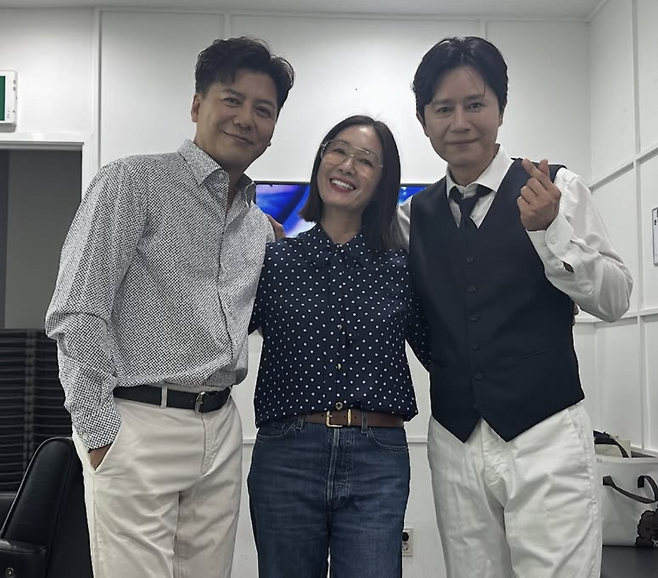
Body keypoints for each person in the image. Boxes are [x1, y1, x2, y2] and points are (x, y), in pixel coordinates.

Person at [45, 37, 294, 578]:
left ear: (274, 126)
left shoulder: (257, 226)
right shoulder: (133, 182)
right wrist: (100, 433)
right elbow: (78, 310)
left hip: (221, 427)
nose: (246, 119)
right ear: (197, 104)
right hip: (137, 422)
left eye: (263, 109)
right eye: (232, 100)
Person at [398, 36, 633, 578]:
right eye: (443, 109)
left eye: (475, 104)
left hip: (545, 433)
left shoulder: (557, 187)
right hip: (455, 440)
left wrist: (551, 232)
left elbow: (616, 299)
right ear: (424, 120)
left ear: (501, 109)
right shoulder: (413, 217)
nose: (460, 123)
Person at [247, 114, 429, 578]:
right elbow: (215, 331)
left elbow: (443, 350)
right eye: (338, 151)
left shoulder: (403, 268)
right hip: (287, 455)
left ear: (383, 182)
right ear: (321, 160)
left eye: (366, 160)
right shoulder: (274, 260)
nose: (347, 165)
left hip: (377, 457)